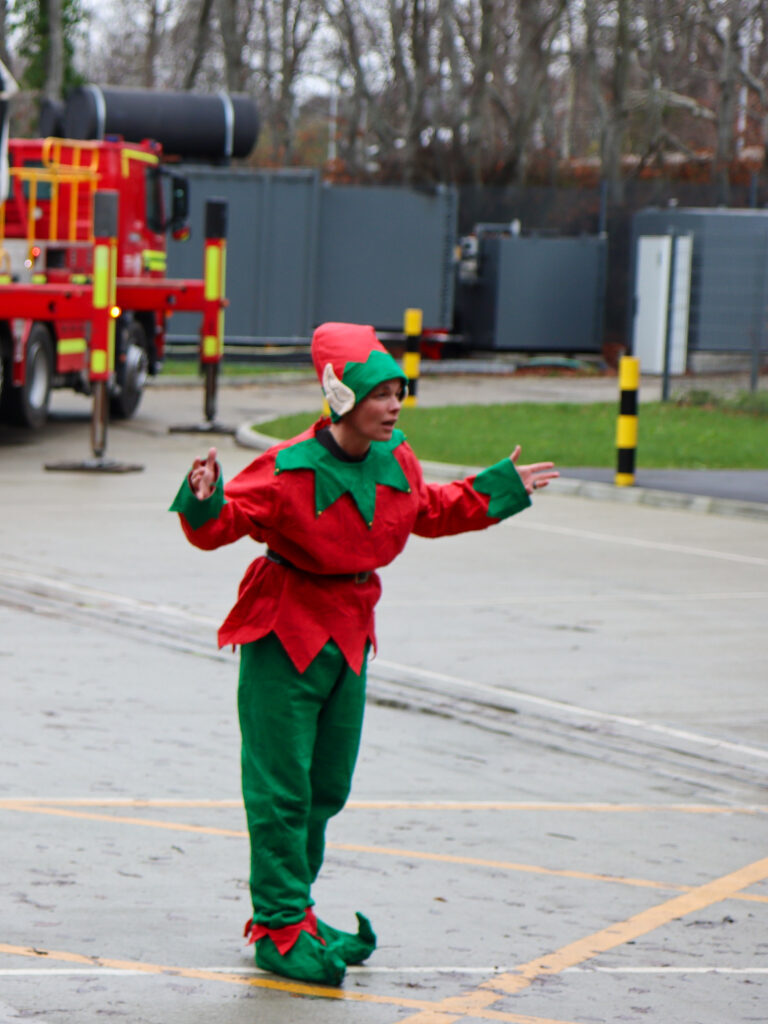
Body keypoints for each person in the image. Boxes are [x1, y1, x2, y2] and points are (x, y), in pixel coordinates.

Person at [169, 322, 558, 986]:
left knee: (325, 789)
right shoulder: (287, 466)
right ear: (342, 397)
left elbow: (429, 509)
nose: (395, 405)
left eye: (399, 392)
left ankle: (297, 912)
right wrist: (204, 497)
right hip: (283, 632)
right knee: (280, 790)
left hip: (349, 635)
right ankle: (280, 925)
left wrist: (499, 487)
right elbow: (224, 524)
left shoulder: (396, 458)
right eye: (381, 394)